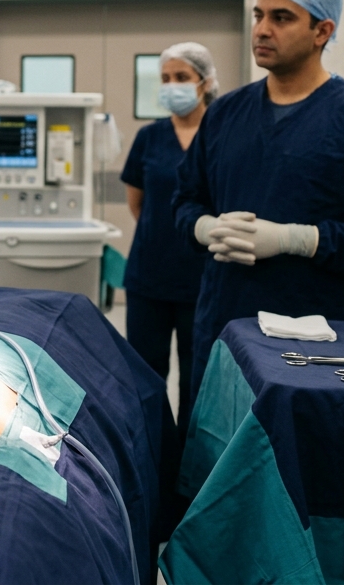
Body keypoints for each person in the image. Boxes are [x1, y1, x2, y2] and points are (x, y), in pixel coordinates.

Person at [173, 0, 344, 401]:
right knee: (215, 449)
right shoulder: (226, 114)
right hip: (224, 324)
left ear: (322, 31)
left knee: (301, 454)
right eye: (259, 16)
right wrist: (204, 227)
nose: (263, 30)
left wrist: (297, 239)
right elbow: (184, 201)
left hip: (317, 336)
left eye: (282, 18)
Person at [119, 42, 218, 436]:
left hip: (203, 280)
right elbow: (138, 204)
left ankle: (189, 469)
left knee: (198, 377)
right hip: (149, 276)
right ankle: (150, 455)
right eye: (165, 79)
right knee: (145, 375)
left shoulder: (222, 132)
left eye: (181, 77)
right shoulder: (149, 137)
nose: (171, 85)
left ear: (204, 82)